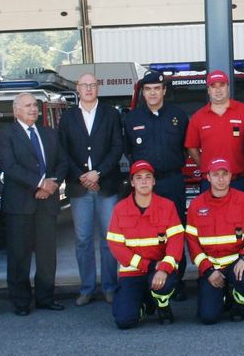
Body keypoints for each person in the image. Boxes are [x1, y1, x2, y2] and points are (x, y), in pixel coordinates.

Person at [0, 92, 67, 316]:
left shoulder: (50, 134)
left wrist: (52, 185)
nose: (33, 109)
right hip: (19, 205)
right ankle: (21, 302)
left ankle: (46, 298)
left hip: (47, 203)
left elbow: (63, 162)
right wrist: (39, 184)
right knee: (19, 255)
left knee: (47, 255)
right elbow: (9, 166)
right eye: (27, 106)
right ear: (16, 110)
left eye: (35, 105)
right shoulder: (6, 134)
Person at [58, 73, 125, 306]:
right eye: (84, 85)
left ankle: (110, 287)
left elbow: (118, 147)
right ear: (77, 88)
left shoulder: (111, 114)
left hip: (106, 185)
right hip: (79, 187)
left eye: (93, 85)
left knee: (109, 239)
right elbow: (62, 151)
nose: (88, 89)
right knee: (83, 239)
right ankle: (86, 288)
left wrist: (99, 173)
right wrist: (81, 176)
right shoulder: (67, 117)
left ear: (98, 87)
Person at [124, 70, 189, 298]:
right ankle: (148, 277)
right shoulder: (131, 119)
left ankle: (175, 280)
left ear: (164, 90)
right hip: (144, 185)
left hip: (172, 181)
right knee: (146, 232)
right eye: (148, 89)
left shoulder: (178, 116)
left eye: (156, 89)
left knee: (174, 230)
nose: (152, 93)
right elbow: (128, 150)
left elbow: (185, 146)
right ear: (143, 92)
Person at [106, 160, 184, 328]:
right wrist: (145, 265)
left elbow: (176, 242)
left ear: (154, 181)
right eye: (139, 177)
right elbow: (116, 246)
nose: (143, 181)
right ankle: (145, 303)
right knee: (124, 321)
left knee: (167, 283)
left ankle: (163, 305)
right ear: (132, 182)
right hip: (132, 273)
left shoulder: (167, 206)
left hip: (159, 270)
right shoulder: (120, 209)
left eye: (148, 177)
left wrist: (164, 269)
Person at [186, 157, 244, 324]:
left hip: (237, 264)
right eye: (216, 175)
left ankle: (237, 302)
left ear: (230, 176)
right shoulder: (196, 205)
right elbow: (192, 243)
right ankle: (222, 295)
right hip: (211, 268)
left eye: (224, 174)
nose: (220, 179)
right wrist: (208, 271)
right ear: (208, 177)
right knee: (208, 317)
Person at [185, 69, 244, 196]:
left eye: (222, 85)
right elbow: (192, 147)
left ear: (228, 87)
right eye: (213, 86)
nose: (218, 90)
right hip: (211, 183)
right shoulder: (198, 117)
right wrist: (206, 166)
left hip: (240, 181)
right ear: (208, 90)